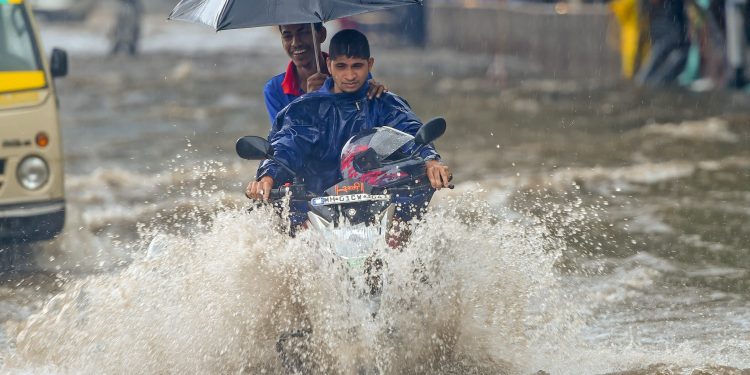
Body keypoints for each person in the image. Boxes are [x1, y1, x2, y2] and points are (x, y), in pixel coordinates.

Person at [246, 29, 452, 227]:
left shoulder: (385, 103)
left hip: (376, 202)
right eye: (342, 66)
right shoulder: (304, 108)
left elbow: (411, 132)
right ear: (329, 64)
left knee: (404, 236)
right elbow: (288, 143)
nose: (350, 75)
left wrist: (431, 160)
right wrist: (268, 176)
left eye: (357, 66)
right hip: (315, 205)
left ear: (370, 64)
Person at [263, 23, 388, 125]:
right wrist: (308, 102)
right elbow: (284, 142)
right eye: (287, 36)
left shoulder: (351, 74)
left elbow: (364, 125)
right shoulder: (274, 89)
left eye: (303, 32)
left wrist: (378, 95)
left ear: (321, 34)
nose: (296, 43)